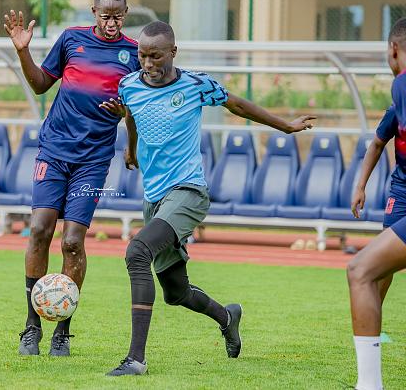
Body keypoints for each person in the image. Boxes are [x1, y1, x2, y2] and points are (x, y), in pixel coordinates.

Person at [100, 21, 315, 376]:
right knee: (175, 292)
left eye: (156, 56)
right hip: (154, 197)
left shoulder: (196, 84)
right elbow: (131, 117)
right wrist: (131, 150)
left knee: (137, 252)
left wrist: (286, 125)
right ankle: (227, 317)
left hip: (188, 191)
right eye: (142, 56)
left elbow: (238, 106)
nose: (148, 63)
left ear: (173, 52)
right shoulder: (129, 85)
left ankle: (135, 360)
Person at [3, 0, 141, 356]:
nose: (111, 23)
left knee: (72, 242)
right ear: (94, 12)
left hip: (93, 161)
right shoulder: (71, 40)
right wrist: (23, 51)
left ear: (125, 14)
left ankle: (63, 331)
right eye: (105, 15)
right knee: (39, 230)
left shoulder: (133, 54)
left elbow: (137, 111)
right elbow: (39, 85)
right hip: (54, 150)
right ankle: (31, 327)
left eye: (117, 17)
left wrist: (127, 124)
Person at [347, 17, 406, 390]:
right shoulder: (396, 100)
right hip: (402, 192)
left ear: (394, 50)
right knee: (374, 270)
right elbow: (378, 144)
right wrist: (360, 185)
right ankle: (373, 324)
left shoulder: (402, 82)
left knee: (361, 270)